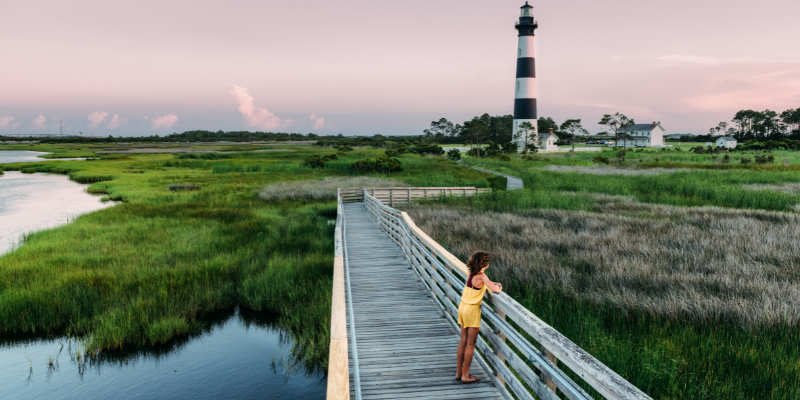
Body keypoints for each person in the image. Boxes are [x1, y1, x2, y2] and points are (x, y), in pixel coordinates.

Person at [455, 251, 502, 383]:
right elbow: (495, 289)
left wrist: (490, 283)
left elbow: (484, 284)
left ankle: (459, 373)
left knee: (462, 342)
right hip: (472, 310)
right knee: (471, 344)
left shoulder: (471, 273)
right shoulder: (481, 276)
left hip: (463, 306)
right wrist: (499, 286)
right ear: (485, 264)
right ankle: (466, 376)